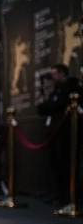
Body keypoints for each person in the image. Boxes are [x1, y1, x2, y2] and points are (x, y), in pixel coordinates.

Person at [37, 64, 80, 213]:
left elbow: (57, 104)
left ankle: (68, 195)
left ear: (61, 73)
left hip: (65, 131)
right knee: (54, 164)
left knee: (64, 163)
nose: (52, 77)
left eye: (54, 74)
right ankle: (58, 193)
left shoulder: (71, 86)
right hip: (54, 131)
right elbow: (44, 108)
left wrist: (50, 104)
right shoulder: (56, 89)